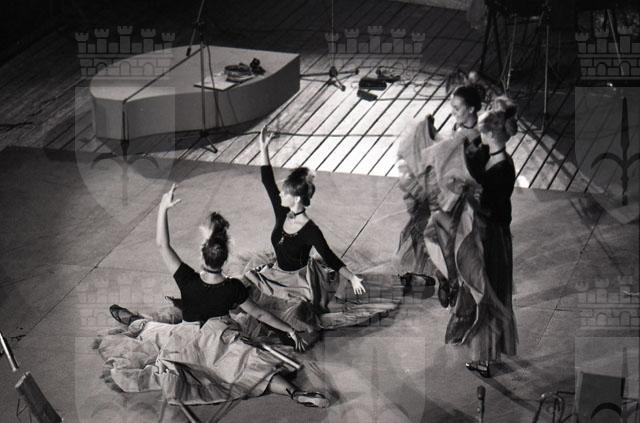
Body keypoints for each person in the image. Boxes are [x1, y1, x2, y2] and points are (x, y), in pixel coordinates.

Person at [98, 184, 330, 408]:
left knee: (152, 331)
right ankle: (295, 392)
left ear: (202, 258)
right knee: (253, 365)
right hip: (220, 343)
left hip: (185, 341)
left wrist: (163, 209)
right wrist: (290, 330)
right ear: (225, 260)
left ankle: (133, 320)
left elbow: (162, 245)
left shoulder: (187, 279)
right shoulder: (233, 288)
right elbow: (260, 314)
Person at [238, 126, 397, 341]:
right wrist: (263, 149)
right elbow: (267, 182)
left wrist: (351, 277)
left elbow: (329, 256)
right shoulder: (283, 212)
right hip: (275, 274)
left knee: (296, 317)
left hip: (298, 282)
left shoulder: (310, 230)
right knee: (239, 291)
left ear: (296, 199)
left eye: (284, 192)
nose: (280, 195)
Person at [395, 73, 485, 305]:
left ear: (471, 109)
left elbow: (466, 167)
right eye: (452, 107)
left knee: (449, 239)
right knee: (434, 235)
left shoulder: (477, 138)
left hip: (464, 199)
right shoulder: (461, 128)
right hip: (450, 192)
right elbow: (447, 152)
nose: (453, 112)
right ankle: (447, 277)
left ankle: (453, 280)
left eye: (457, 108)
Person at [460, 96, 519, 378]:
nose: (479, 137)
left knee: (489, 293)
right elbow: (471, 156)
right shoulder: (489, 154)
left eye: (483, 132)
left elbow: (490, 207)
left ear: (492, 134)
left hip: (493, 238)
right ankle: (483, 350)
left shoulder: (504, 168)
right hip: (483, 231)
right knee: (481, 291)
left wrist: (467, 194)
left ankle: (485, 355)